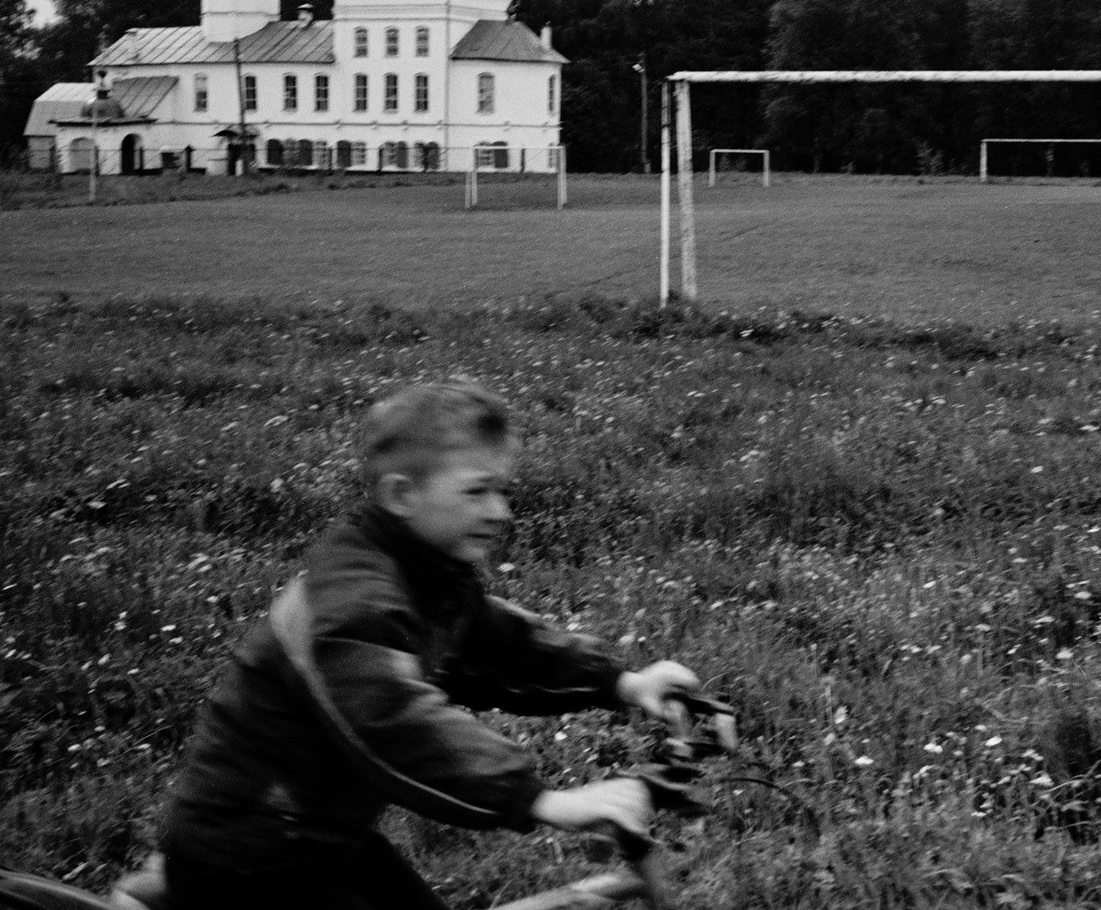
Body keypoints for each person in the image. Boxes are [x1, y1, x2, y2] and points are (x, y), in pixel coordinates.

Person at [157, 380, 701, 910]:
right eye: (476, 490)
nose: (499, 512)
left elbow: (504, 645)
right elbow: (394, 719)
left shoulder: (430, 579)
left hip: (322, 833)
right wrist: (538, 798)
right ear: (402, 494)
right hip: (246, 850)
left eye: (503, 491)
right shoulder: (353, 602)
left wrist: (623, 681)